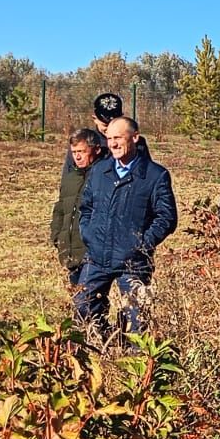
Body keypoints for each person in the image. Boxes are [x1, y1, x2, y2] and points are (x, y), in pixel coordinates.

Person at [76, 117, 177, 338]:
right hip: (97, 257)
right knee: (83, 309)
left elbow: (167, 217)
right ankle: (101, 351)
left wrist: (141, 244)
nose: (112, 144)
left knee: (136, 322)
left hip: (133, 263)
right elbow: (86, 207)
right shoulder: (100, 171)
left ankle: (135, 366)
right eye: (109, 138)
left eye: (118, 138)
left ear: (135, 138)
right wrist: (89, 234)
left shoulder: (154, 175)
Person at [51, 129, 107, 287]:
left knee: (87, 300)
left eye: (82, 151)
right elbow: (60, 208)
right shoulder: (70, 178)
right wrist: (57, 235)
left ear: (96, 149)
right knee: (78, 298)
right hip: (69, 250)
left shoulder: (104, 177)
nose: (77, 156)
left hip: (92, 252)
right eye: (74, 152)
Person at [62, 92, 150, 176]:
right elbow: (70, 178)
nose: (110, 129)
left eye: (114, 123)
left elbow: (147, 172)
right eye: (105, 125)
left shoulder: (136, 142)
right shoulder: (83, 142)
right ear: (94, 118)